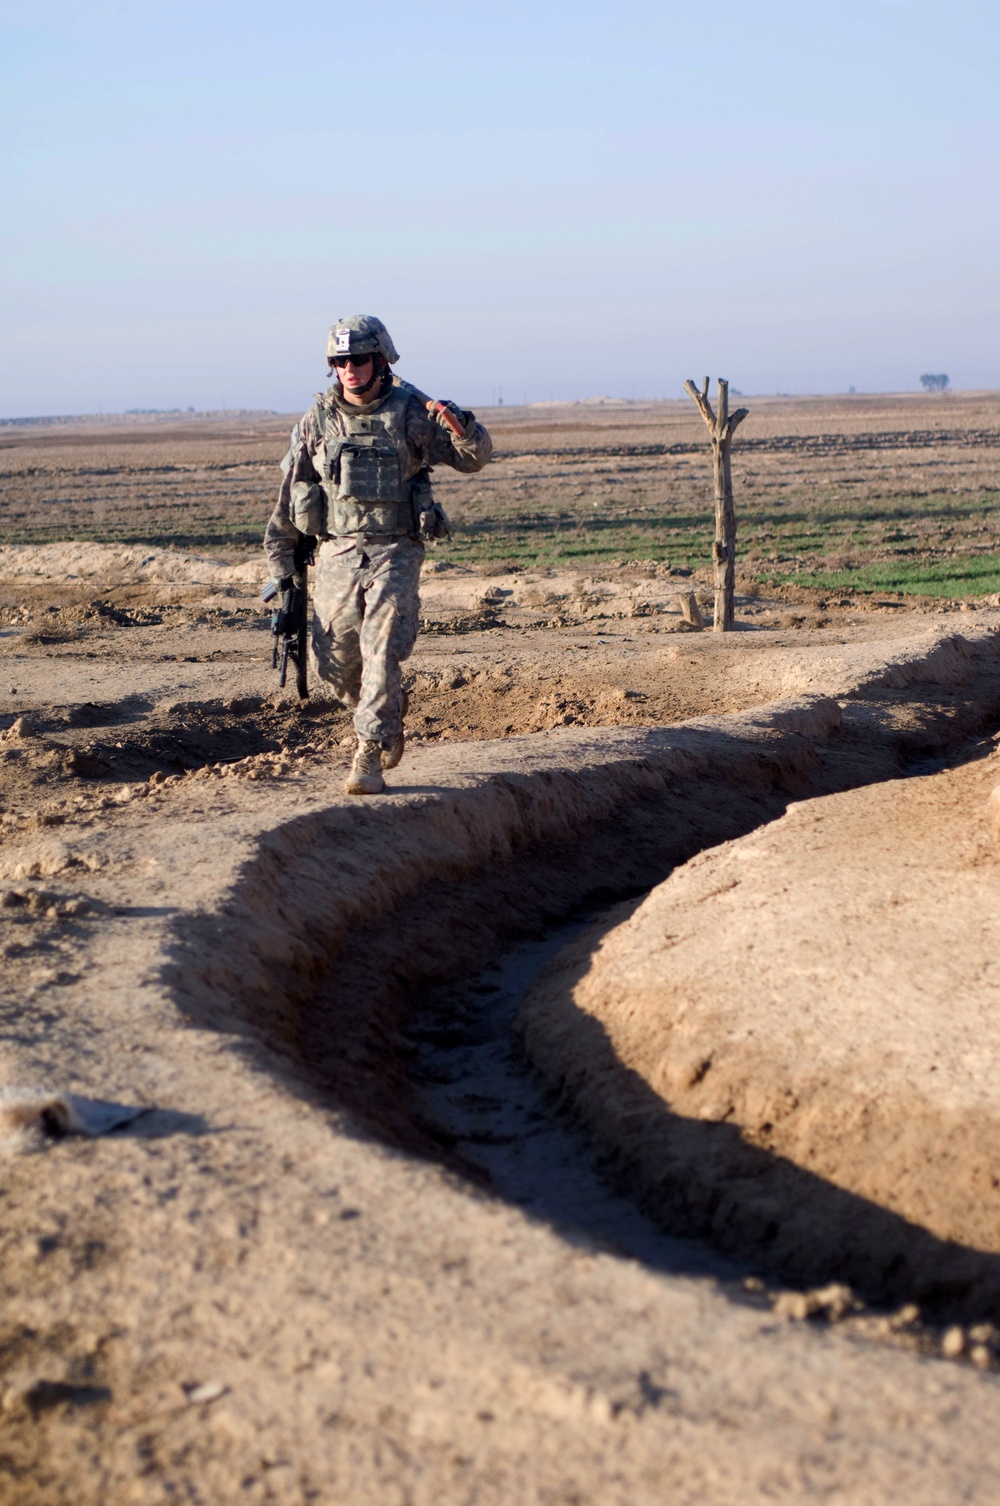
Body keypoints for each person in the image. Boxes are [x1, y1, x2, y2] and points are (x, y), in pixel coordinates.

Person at [263, 315, 493, 794]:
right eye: (341, 361)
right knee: (337, 664)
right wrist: (281, 566)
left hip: (396, 549)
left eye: (360, 359)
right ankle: (386, 708)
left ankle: (367, 750)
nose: (350, 368)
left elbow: (472, 459)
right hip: (336, 554)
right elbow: (290, 497)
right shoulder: (317, 420)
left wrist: (462, 424)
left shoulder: (412, 413)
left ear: (382, 360)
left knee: (381, 647)